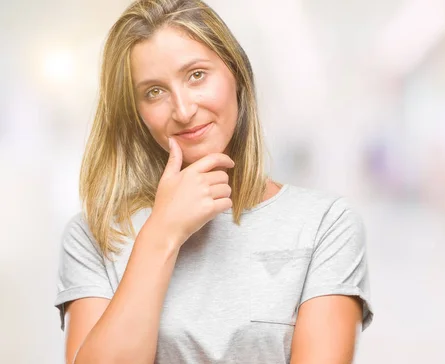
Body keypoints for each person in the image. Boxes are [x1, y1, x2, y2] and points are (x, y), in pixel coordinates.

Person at [53, 1, 373, 363]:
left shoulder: (325, 225)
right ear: (136, 113)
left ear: (236, 74)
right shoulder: (95, 236)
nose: (184, 110)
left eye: (197, 75)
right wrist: (161, 235)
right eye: (154, 92)